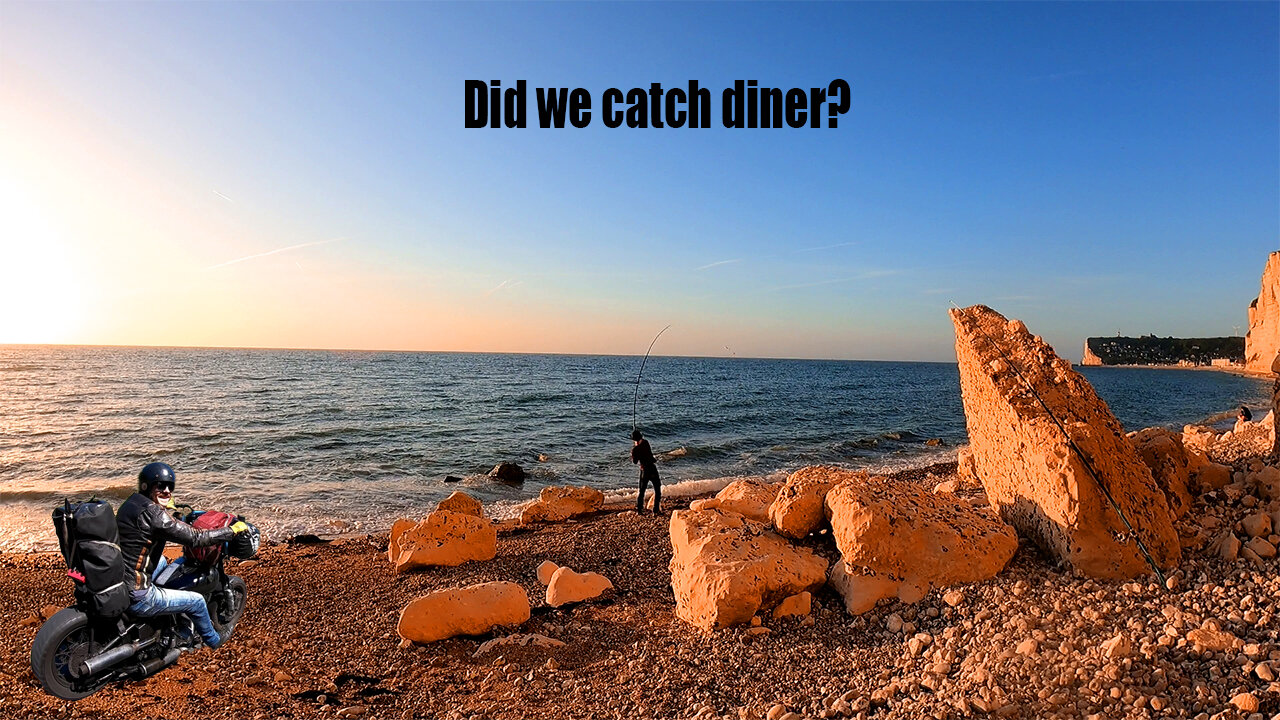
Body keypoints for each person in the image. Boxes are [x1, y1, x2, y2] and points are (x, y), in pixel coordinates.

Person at [117, 462, 249, 649]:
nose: (167, 491)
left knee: (162, 560)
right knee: (196, 602)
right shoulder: (155, 514)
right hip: (138, 594)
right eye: (161, 486)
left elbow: (154, 525)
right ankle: (214, 640)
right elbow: (196, 538)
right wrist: (231, 530)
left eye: (170, 486)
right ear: (146, 486)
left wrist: (166, 512)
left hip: (121, 577)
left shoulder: (131, 503)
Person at [630, 429, 661, 514]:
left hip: (644, 470)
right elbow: (648, 453)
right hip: (652, 468)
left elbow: (635, 462)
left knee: (642, 491)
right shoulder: (646, 443)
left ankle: (639, 509)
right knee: (657, 489)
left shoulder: (635, 450)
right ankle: (656, 509)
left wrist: (634, 451)